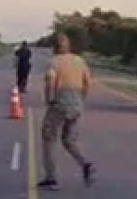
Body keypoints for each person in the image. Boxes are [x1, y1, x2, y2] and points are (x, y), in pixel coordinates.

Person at [39, 33, 95, 190]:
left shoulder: (54, 62)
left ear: (54, 48)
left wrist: (49, 99)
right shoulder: (79, 61)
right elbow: (88, 82)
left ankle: (51, 178)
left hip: (60, 102)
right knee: (68, 140)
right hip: (76, 103)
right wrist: (81, 99)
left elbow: (50, 81)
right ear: (69, 47)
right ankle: (84, 163)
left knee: (49, 138)